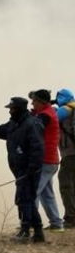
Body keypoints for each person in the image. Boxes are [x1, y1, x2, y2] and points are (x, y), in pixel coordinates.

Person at [0, 97, 45, 243]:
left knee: (24, 199)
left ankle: (25, 231)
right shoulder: (14, 123)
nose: (10, 111)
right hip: (19, 169)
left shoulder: (31, 124)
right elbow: (0, 131)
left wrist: (32, 169)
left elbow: (38, 148)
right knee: (26, 199)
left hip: (29, 170)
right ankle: (38, 232)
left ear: (19, 109)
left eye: (12, 108)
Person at [29, 89, 64, 231]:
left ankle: (30, 224)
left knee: (33, 191)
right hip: (51, 160)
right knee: (47, 193)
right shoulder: (48, 113)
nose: (32, 103)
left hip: (45, 160)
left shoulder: (45, 115)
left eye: (34, 101)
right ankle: (56, 223)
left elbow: (33, 128)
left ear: (41, 102)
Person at [54, 88, 75, 228]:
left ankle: (70, 218)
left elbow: (50, 118)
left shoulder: (65, 110)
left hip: (70, 153)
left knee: (65, 184)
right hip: (71, 153)